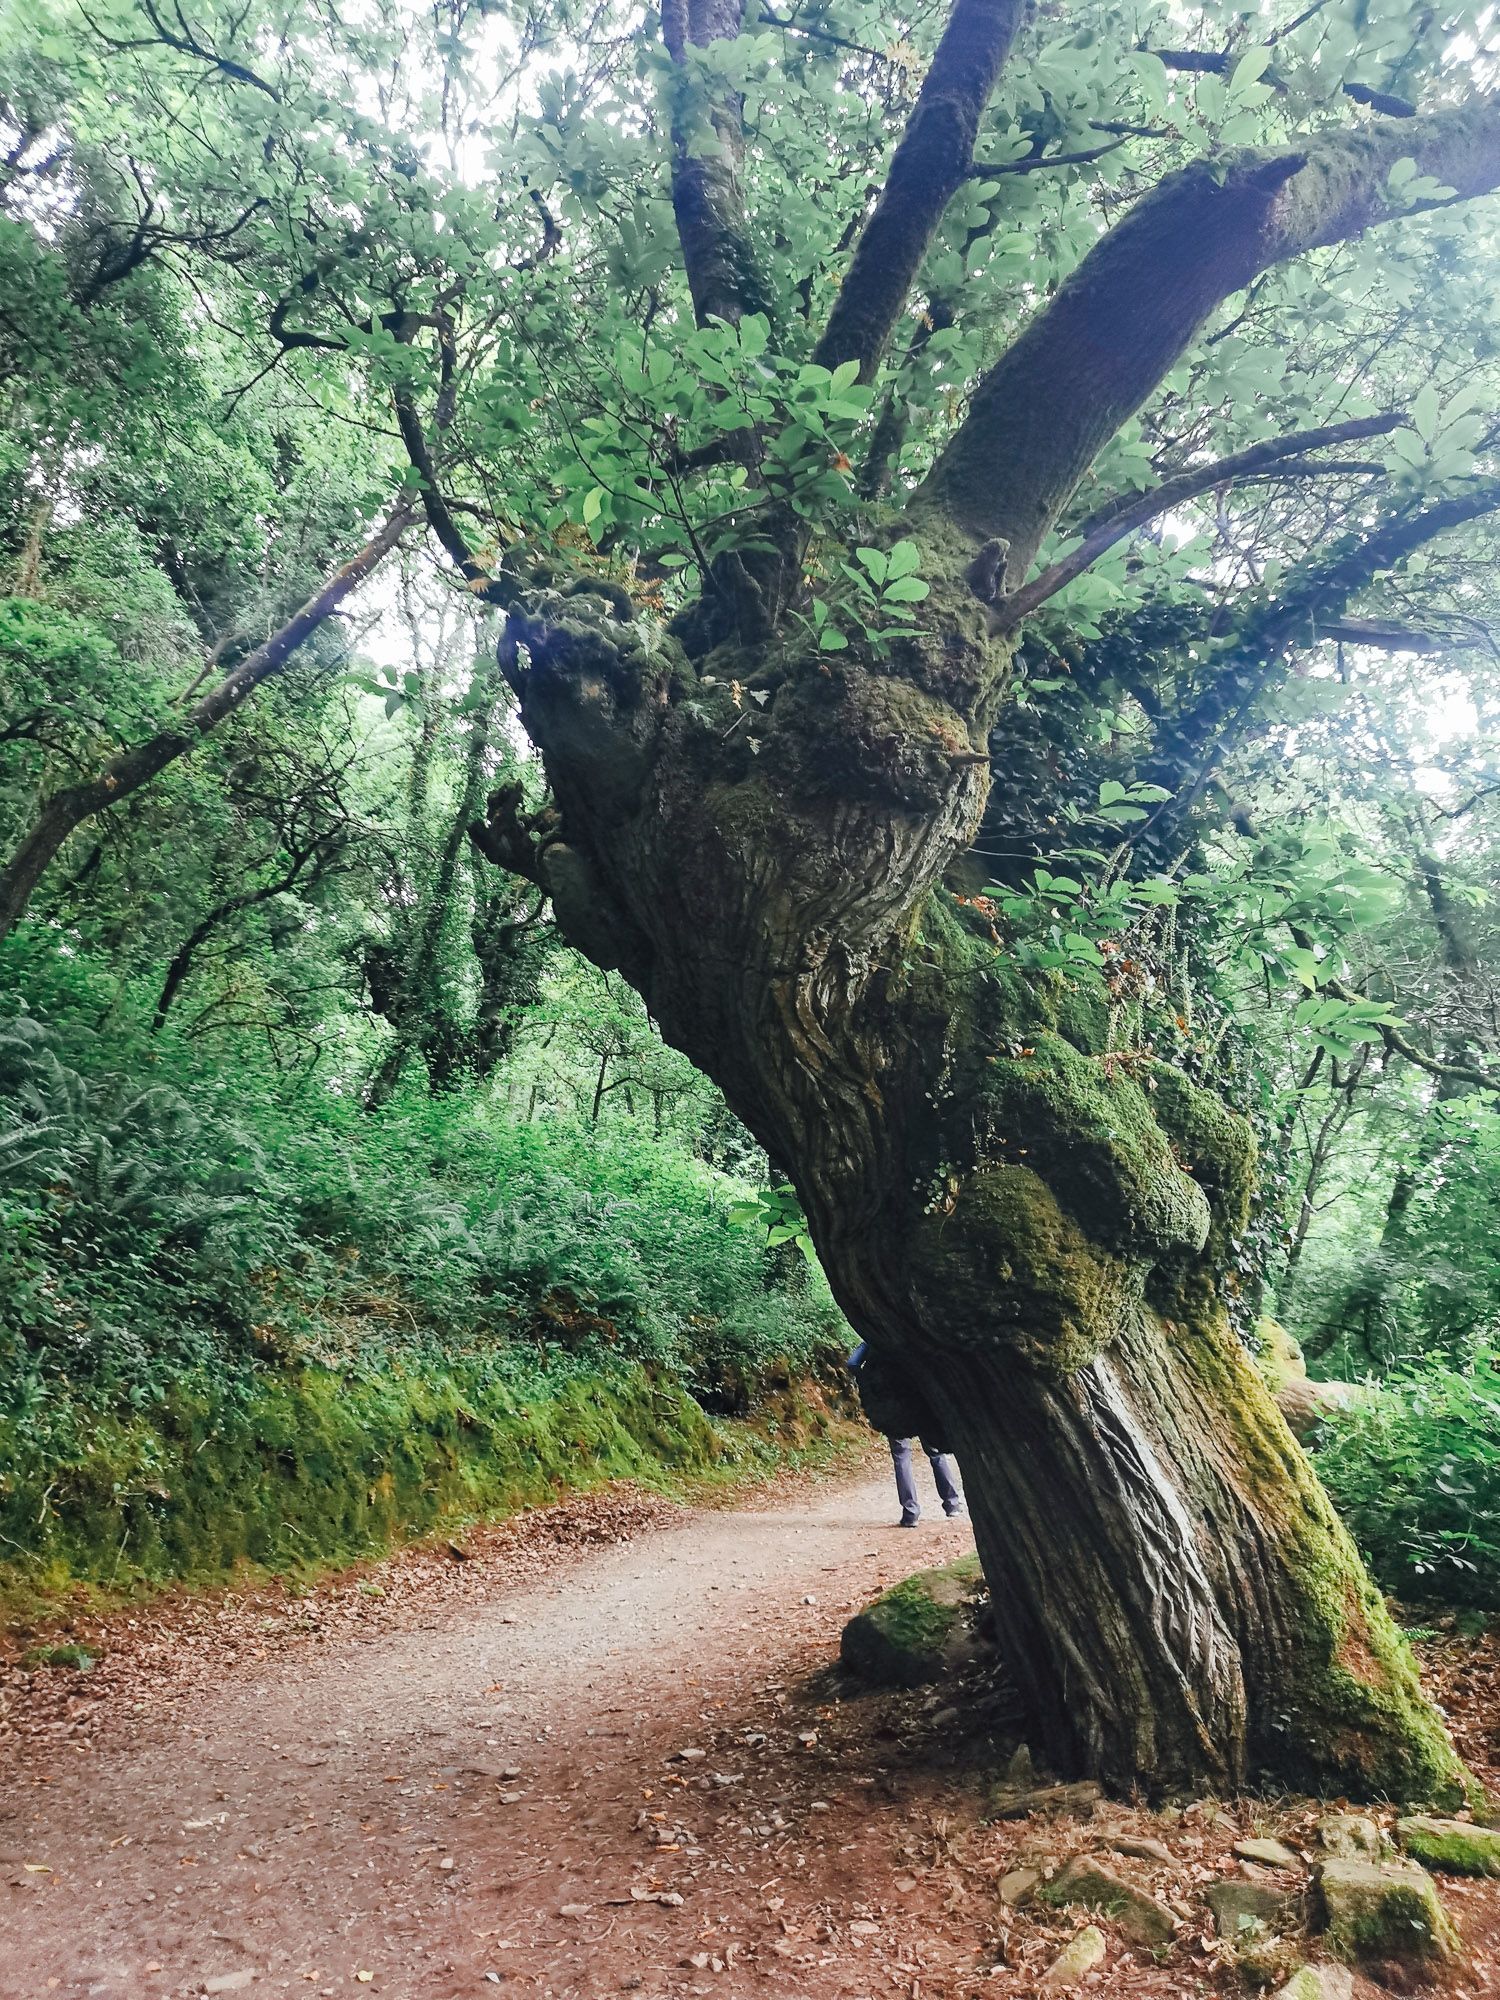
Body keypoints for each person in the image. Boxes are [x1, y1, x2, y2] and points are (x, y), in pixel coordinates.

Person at [846, 1341, 966, 1527]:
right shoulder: (906, 1337)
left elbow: (852, 1362)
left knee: (901, 1458)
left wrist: (866, 1380)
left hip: (892, 1403)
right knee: (935, 1453)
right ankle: (952, 1504)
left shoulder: (872, 1340)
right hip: (920, 1401)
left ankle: (911, 1513)